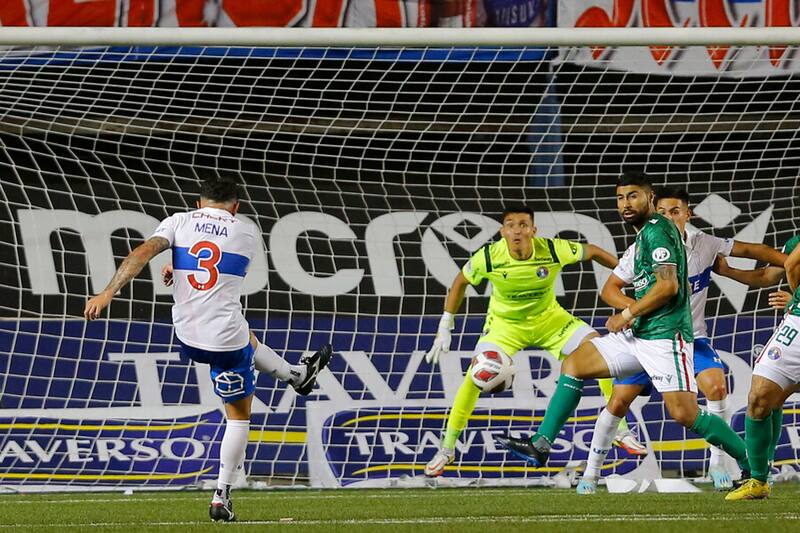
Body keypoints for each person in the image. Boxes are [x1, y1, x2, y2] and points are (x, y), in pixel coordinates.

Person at [84, 178, 332, 522]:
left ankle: (296, 375)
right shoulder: (246, 232)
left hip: (186, 335)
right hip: (222, 340)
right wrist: (183, 264)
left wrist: (108, 293)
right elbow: (220, 269)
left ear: (198, 203)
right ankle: (222, 495)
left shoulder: (178, 221)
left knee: (248, 337)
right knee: (239, 415)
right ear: (236, 207)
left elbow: (142, 253)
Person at [495, 172, 750, 482]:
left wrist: (628, 312)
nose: (626, 203)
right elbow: (610, 287)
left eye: (633, 196)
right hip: (640, 335)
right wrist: (630, 312)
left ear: (650, 199)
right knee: (574, 363)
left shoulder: (659, 232)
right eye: (620, 197)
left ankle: (751, 463)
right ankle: (541, 443)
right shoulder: (642, 236)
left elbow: (668, 286)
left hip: (665, 338)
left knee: (684, 413)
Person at [575, 187, 786, 493]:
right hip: (646, 338)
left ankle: (719, 464)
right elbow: (611, 287)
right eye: (662, 212)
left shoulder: (704, 244)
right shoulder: (644, 244)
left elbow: (751, 251)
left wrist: (787, 260)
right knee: (619, 401)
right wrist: (629, 311)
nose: (669, 217)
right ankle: (590, 476)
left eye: (676, 211)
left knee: (716, 386)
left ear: (689, 215)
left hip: (690, 339)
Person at [423, 205, 627, 477]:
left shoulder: (552, 249)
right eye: (510, 225)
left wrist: (629, 275)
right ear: (502, 231)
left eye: (522, 224)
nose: (516, 230)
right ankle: (447, 448)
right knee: (474, 376)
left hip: (550, 321)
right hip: (505, 328)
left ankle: (620, 430)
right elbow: (460, 282)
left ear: (533, 230)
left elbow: (593, 252)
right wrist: (445, 325)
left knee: (600, 349)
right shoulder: (489, 257)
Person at [725, 235, 800, 500]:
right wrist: (727, 271)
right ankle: (758, 480)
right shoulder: (795, 242)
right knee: (761, 398)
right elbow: (771, 274)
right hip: (796, 328)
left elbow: (793, 266)